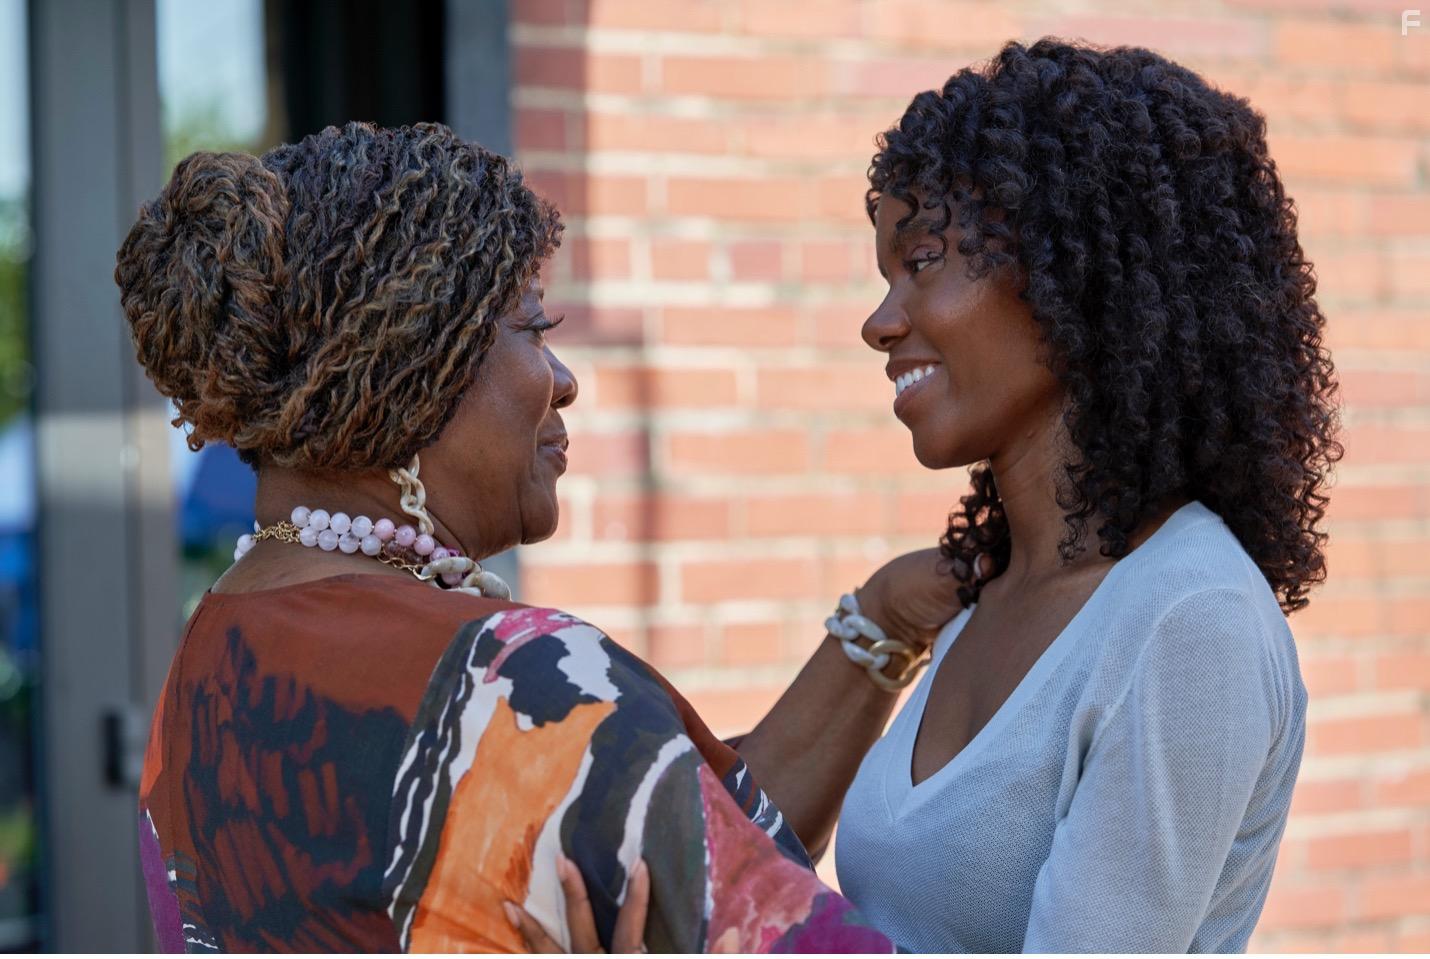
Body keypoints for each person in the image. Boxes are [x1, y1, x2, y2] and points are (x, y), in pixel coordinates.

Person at [520, 37, 1342, 953]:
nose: (880, 322)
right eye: (885, 277)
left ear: (1072, 272)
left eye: (922, 262)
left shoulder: (1189, 617)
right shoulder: (979, 599)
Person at [115, 121, 960, 953]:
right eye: (533, 329)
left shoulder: (203, 667)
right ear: (413, 366)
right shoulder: (518, 682)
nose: (564, 380)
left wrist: (884, 617)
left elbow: (682, 826)